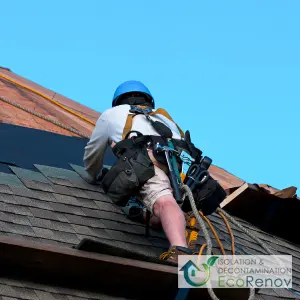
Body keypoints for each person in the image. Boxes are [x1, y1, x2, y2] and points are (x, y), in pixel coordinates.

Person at [83, 80, 196, 263]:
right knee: (167, 202)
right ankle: (149, 218)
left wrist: (91, 175)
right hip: (177, 168)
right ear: (148, 100)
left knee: (163, 202)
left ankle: (179, 250)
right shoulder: (164, 118)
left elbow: (93, 153)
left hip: (147, 162)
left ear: (118, 101)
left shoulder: (111, 114)